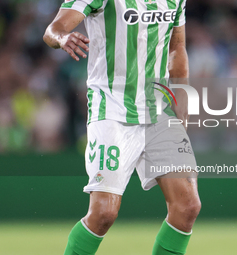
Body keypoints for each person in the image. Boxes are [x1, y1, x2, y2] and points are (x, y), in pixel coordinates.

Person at [43, 0, 201, 254]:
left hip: (158, 109)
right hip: (112, 109)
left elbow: (177, 45)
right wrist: (62, 38)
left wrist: (181, 94)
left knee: (187, 206)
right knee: (103, 213)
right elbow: (54, 28)